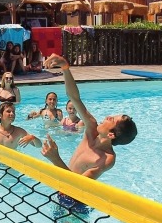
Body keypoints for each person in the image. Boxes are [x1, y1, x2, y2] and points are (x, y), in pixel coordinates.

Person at [39, 53, 137, 183]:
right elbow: (74, 97)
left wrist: (55, 158)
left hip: (72, 194)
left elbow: (77, 185)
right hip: (62, 183)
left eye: (112, 120)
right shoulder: (91, 128)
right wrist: (65, 67)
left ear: (111, 135)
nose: (108, 116)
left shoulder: (107, 159)